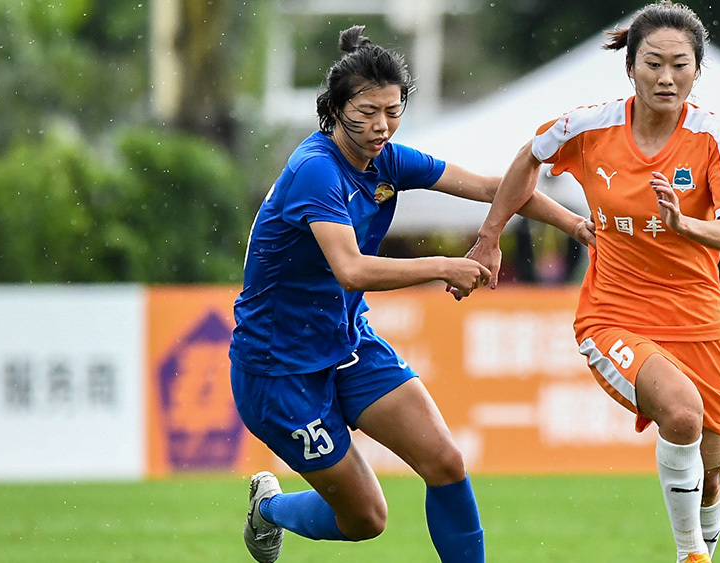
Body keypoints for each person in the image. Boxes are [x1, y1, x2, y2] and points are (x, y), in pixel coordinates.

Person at [228, 25, 592, 563]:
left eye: (393, 110)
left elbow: (494, 188)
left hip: (347, 344)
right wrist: (446, 265)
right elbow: (351, 270)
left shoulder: (389, 160)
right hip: (278, 370)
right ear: (334, 108)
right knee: (366, 519)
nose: (382, 125)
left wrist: (577, 225)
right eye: (367, 112)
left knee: (445, 461)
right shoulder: (315, 171)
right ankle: (269, 509)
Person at [464, 3, 720, 562]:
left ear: (697, 71)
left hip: (699, 322)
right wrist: (490, 235)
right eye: (653, 63)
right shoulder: (590, 126)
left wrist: (685, 225)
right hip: (613, 315)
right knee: (682, 413)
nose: (666, 77)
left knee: (711, 476)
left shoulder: (713, 137)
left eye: (680, 65)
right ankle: (690, 555)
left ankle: (703, 550)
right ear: (630, 67)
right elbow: (528, 159)